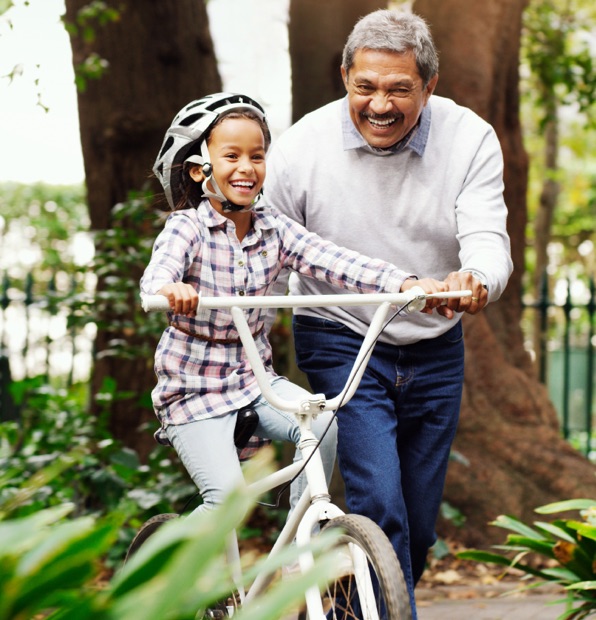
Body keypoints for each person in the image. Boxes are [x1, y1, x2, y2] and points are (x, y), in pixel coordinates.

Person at [264, 9, 514, 618]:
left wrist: (476, 279)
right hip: (340, 331)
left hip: (433, 341)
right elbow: (262, 253)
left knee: (418, 528)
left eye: (400, 89)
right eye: (365, 87)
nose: (380, 104)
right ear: (345, 75)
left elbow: (487, 238)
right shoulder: (300, 149)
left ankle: (346, 598)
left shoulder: (470, 137)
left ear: (428, 85)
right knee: (380, 503)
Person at [140, 92, 446, 526]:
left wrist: (404, 283)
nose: (246, 167)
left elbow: (335, 260)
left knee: (322, 422)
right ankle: (171, 574)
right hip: (193, 388)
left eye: (257, 156)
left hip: (254, 379)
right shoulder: (187, 228)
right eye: (231, 155)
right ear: (199, 168)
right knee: (225, 503)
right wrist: (171, 289)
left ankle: (300, 546)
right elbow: (156, 277)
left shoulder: (274, 228)